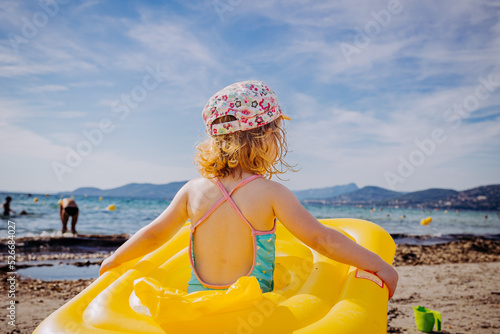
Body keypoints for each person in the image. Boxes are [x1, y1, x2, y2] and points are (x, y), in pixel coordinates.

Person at [99, 80, 398, 298]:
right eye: (276, 132)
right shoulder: (271, 193)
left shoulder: (191, 191)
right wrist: (380, 266)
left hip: (196, 302)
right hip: (251, 309)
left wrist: (115, 259)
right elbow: (322, 239)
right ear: (264, 137)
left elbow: (153, 234)